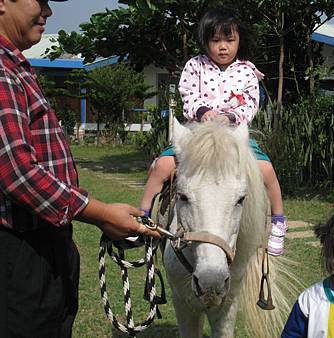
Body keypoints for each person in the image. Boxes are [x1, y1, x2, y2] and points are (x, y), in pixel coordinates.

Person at [0, 1, 158, 337]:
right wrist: (100, 213)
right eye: (39, 1)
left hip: (44, 242)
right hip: (19, 252)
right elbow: (17, 172)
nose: (48, 11)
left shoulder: (16, 66)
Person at [140, 7, 288, 256]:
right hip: (197, 133)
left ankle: (278, 220)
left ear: (239, 41)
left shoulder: (247, 71)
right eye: (216, 40)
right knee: (163, 166)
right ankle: (144, 216)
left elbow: (251, 104)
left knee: (266, 169)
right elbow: (187, 95)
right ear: (205, 42)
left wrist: (230, 116)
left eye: (229, 40)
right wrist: (202, 112)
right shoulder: (195, 66)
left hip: (233, 134)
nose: (223, 47)